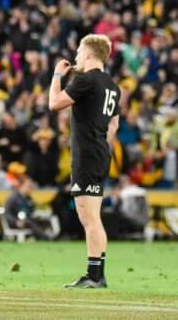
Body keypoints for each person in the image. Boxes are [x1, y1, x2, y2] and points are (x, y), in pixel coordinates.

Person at [49, 34, 121, 288]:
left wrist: (57, 76)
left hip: (88, 156)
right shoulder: (112, 85)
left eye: (79, 51)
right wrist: (99, 139)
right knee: (94, 216)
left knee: (89, 217)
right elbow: (114, 124)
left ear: (89, 54)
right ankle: (97, 273)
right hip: (100, 153)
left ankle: (94, 276)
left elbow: (55, 103)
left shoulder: (86, 80)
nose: (77, 56)